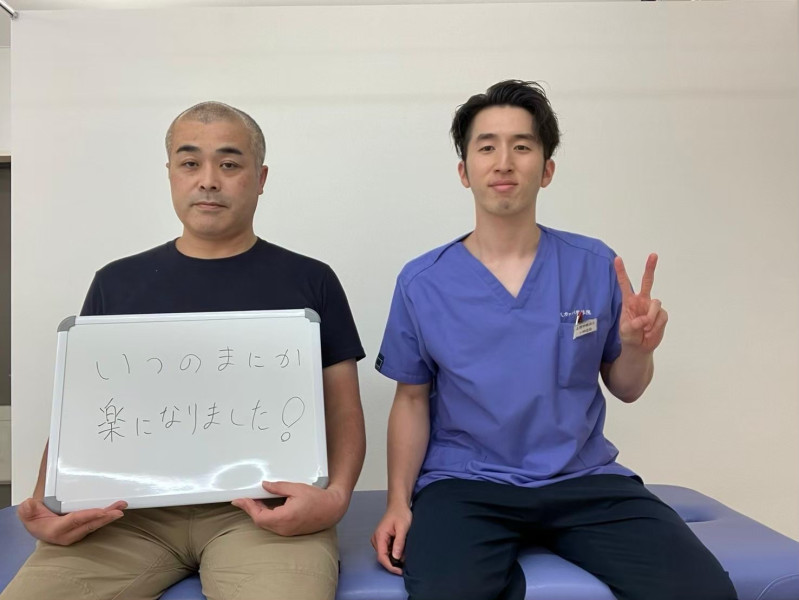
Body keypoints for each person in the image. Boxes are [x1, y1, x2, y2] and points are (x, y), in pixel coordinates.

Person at [370, 80, 737, 600]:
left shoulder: (593, 264)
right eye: (487, 147)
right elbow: (410, 400)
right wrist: (398, 502)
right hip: (467, 486)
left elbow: (627, 388)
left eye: (522, 146)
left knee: (701, 591)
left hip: (582, 480)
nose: (504, 162)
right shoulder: (423, 282)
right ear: (464, 171)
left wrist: (638, 348)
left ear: (546, 170)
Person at [3, 101, 366, 600]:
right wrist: (49, 500)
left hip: (265, 513)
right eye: (190, 162)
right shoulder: (116, 283)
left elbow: (343, 408)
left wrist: (337, 497)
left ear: (260, 179)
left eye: (230, 164)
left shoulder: (310, 280)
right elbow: (78, 409)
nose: (209, 181)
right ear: (171, 174)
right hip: (125, 517)